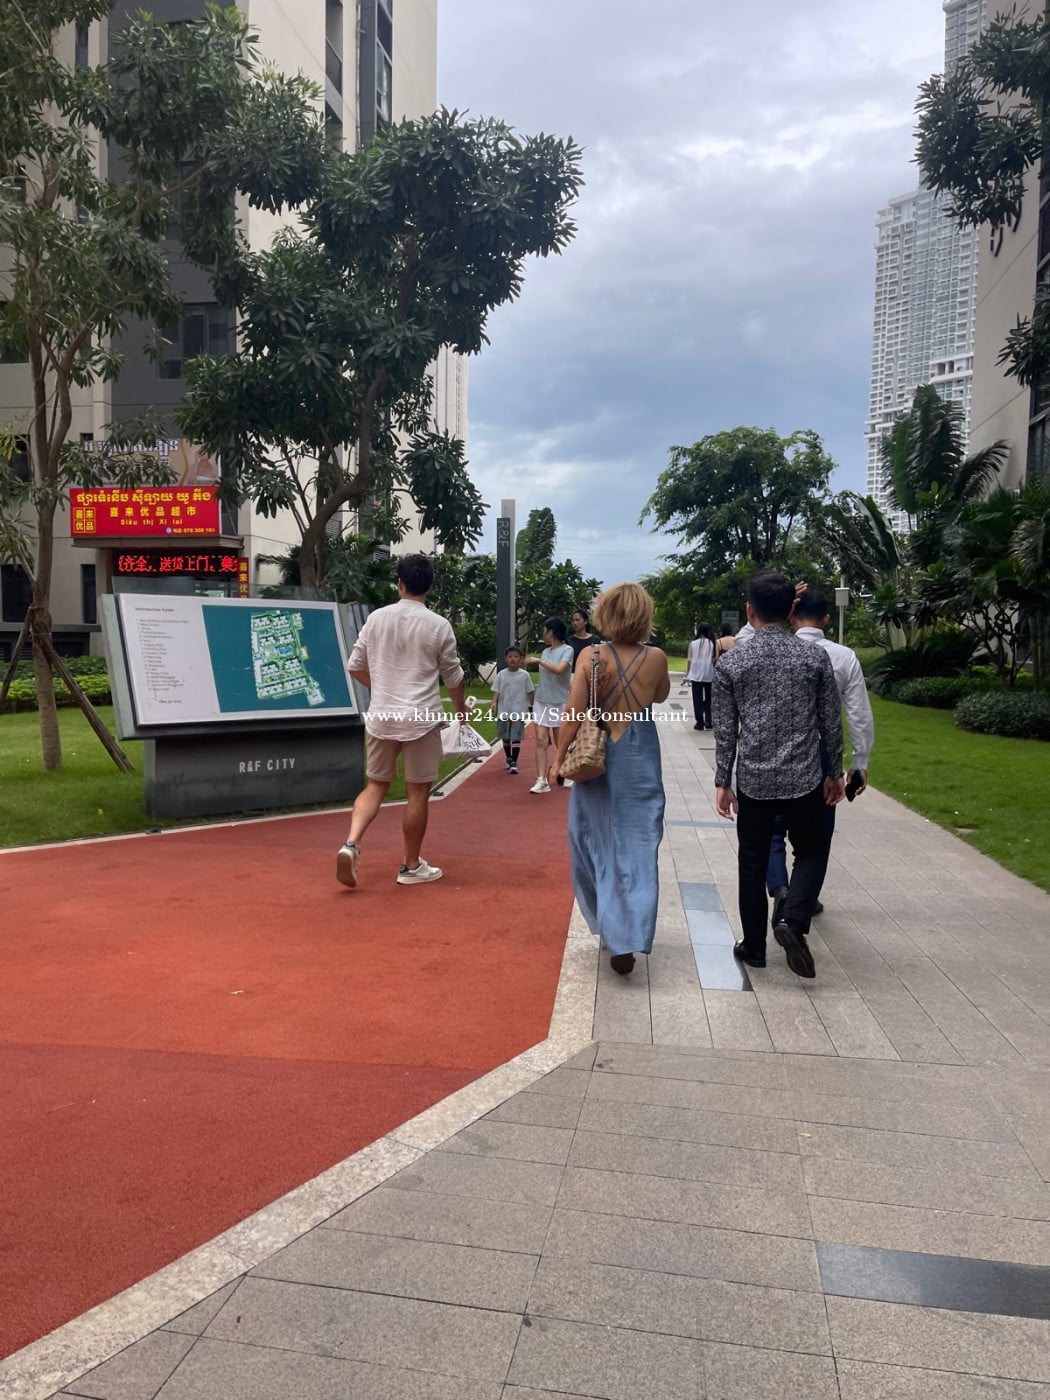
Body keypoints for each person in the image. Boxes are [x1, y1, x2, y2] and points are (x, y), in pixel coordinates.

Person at [713, 572, 845, 980]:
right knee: (812, 849)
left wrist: (723, 780)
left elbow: (725, 729)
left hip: (755, 780)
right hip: (805, 776)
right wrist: (834, 771)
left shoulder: (732, 661)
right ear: (791, 611)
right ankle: (792, 919)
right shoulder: (814, 658)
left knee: (752, 862)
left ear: (749, 611)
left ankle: (754, 948)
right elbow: (830, 721)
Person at [551, 583, 671, 976]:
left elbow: (573, 712)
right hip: (640, 754)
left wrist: (558, 759)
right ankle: (628, 932)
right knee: (640, 845)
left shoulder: (591, 656)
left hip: (597, 753)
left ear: (605, 614)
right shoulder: (657, 657)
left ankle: (612, 925)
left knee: (591, 840)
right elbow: (660, 696)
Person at [336, 553, 466, 888]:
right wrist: (461, 709)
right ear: (430, 586)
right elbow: (453, 676)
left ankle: (351, 843)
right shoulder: (439, 625)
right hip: (421, 717)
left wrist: (381, 689)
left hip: (382, 715)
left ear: (400, 583)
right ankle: (410, 866)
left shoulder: (377, 618)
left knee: (375, 785)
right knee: (417, 793)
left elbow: (354, 666)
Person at [766, 588, 875, 925]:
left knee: (773, 829)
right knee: (813, 838)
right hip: (819, 754)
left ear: (791, 615)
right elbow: (858, 714)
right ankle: (801, 901)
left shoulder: (772, 651)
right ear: (826, 619)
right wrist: (859, 763)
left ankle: (780, 887)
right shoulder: (843, 657)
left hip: (773, 750)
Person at [525, 618, 574, 794]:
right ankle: (541, 780)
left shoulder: (567, 650)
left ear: (551, 632)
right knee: (540, 740)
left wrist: (539, 661)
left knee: (561, 742)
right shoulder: (546, 651)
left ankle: (566, 772)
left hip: (560, 701)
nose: (543, 634)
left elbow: (560, 670)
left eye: (544, 631)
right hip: (542, 700)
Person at [492, 646, 534, 774]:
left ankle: (514, 762)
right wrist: (494, 703)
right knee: (505, 737)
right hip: (504, 710)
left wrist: (532, 706)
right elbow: (497, 690)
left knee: (516, 736)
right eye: (510, 657)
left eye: (516, 656)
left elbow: (530, 691)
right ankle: (508, 757)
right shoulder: (501, 674)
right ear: (505, 659)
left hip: (518, 711)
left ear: (521, 659)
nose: (513, 659)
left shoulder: (524, 675)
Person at [685, 623, 716, 729]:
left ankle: (699, 722)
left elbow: (689, 660)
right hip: (709, 674)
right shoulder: (713, 643)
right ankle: (709, 721)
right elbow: (715, 658)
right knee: (709, 698)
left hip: (695, 673)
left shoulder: (693, 644)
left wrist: (687, 674)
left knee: (697, 699)